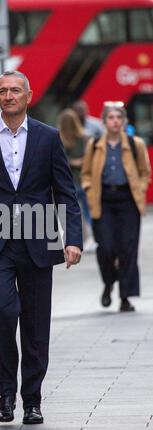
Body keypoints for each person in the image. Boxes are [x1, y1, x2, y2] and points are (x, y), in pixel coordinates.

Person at [0, 71, 82, 425]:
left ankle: (32, 400)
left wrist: (73, 239)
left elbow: (66, 193)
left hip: (39, 240)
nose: (8, 96)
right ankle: (5, 393)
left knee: (36, 324)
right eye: (3, 91)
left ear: (29, 95)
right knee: (3, 312)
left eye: (15, 90)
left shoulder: (48, 137)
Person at [81, 101, 151, 312]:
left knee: (128, 250)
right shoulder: (94, 145)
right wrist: (88, 188)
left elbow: (144, 172)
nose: (115, 121)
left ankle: (125, 297)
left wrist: (139, 187)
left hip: (128, 200)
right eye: (111, 118)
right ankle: (109, 283)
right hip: (103, 201)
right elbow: (85, 173)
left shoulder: (134, 143)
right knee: (107, 248)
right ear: (103, 121)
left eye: (119, 118)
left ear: (124, 121)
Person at [58, 109, 95, 251]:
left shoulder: (59, 138)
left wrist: (71, 162)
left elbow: (59, 161)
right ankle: (92, 238)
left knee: (68, 212)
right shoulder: (86, 137)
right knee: (87, 211)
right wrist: (79, 162)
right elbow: (90, 157)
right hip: (84, 180)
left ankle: (71, 240)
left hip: (67, 183)